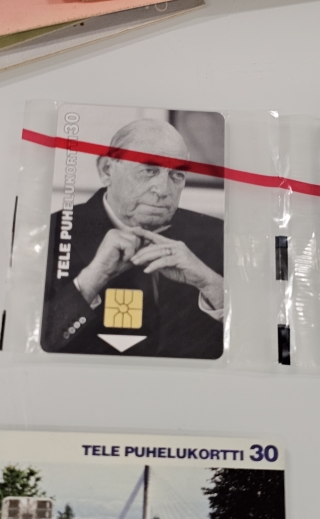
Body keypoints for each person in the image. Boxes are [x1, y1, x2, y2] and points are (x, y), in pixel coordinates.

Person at [41, 118, 224, 359]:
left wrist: (212, 285)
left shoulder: (216, 236)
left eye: (177, 175)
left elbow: (253, 343)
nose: (163, 190)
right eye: (149, 170)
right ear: (107, 170)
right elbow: (30, 340)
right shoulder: (51, 233)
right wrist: (90, 282)